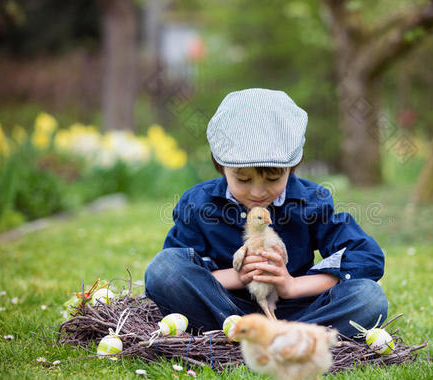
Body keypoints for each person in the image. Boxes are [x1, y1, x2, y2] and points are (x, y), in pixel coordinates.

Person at [144, 88, 387, 336]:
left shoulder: (311, 201)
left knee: (369, 298)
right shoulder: (198, 203)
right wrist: (239, 276)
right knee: (163, 269)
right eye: (243, 179)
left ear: (292, 166)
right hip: (223, 307)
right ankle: (248, 333)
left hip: (298, 311)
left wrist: (291, 286)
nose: (258, 193)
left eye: (272, 178)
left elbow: (368, 257)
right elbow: (176, 273)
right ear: (221, 166)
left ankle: (282, 336)